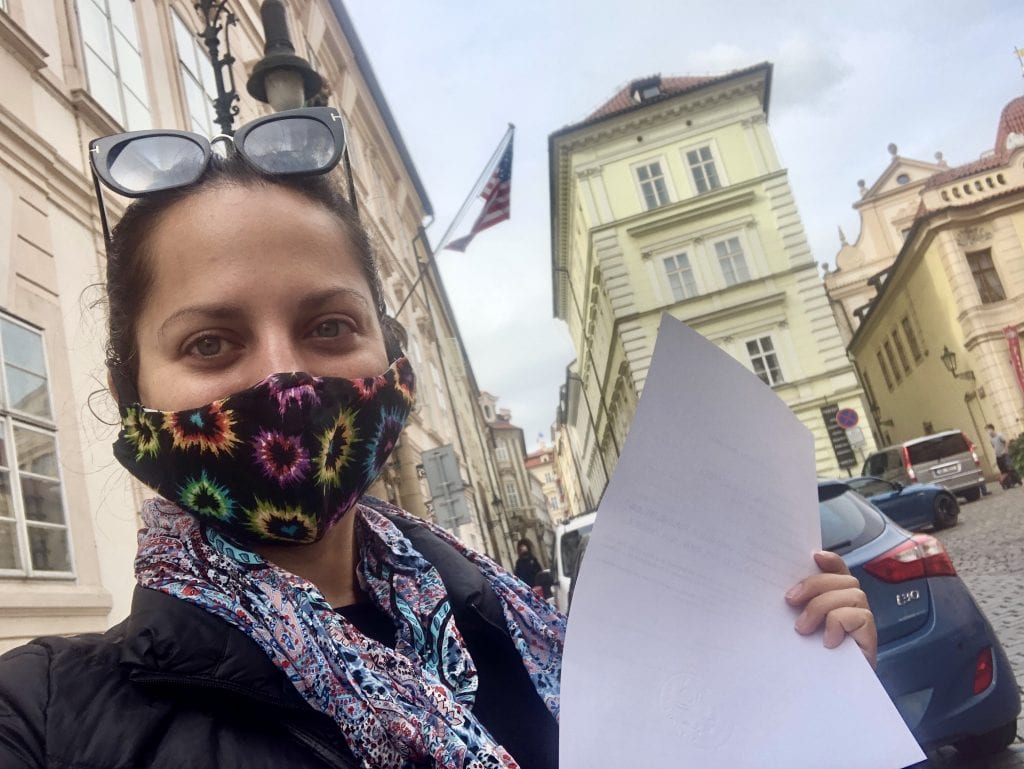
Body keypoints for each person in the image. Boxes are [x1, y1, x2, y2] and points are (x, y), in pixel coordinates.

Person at [0, 108, 877, 769]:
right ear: (133, 394)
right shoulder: (45, 716)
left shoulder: (529, 636)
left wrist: (805, 706)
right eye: (210, 343)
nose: (283, 378)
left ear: (393, 361)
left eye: (330, 326)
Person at [986, 423, 1020, 488]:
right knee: (1003, 470)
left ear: (992, 429)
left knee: (1009, 469)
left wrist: (1005, 450)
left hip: (1004, 455)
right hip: (998, 456)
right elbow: (994, 447)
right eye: (987, 431)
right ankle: (1008, 483)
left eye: (988, 430)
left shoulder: (999, 435)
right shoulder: (991, 439)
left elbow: (1006, 442)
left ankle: (1017, 481)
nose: (988, 432)